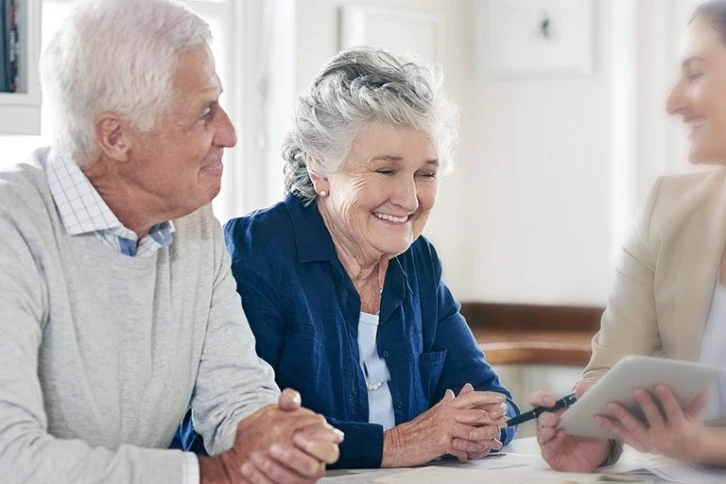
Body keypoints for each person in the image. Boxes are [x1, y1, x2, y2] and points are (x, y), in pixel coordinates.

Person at [0, 0, 342, 483]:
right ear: (116, 137)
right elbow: (9, 458)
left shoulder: (194, 223)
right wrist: (211, 475)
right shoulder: (11, 226)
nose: (229, 132)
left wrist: (274, 434)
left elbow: (234, 388)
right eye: (205, 111)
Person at [178, 46, 519, 468]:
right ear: (320, 168)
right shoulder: (258, 251)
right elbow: (226, 436)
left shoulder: (418, 261)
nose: (410, 198)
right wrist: (398, 444)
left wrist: (483, 427)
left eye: (426, 174)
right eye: (385, 170)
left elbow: (495, 402)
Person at [531, 0, 726, 472]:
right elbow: (608, 375)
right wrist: (596, 433)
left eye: (695, 74)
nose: (672, 102)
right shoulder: (668, 209)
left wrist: (704, 446)